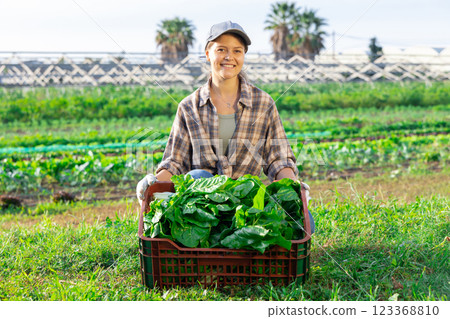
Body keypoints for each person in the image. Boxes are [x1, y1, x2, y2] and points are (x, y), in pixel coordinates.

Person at [137, 21, 315, 234]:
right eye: (221, 49)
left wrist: (292, 186)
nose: (229, 57)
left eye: (237, 51)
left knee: (305, 227)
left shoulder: (263, 104)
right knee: (199, 176)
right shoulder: (189, 107)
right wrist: (153, 184)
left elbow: (278, 160)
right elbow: (175, 162)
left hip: (246, 203)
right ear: (208, 54)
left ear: (243, 56)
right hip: (200, 206)